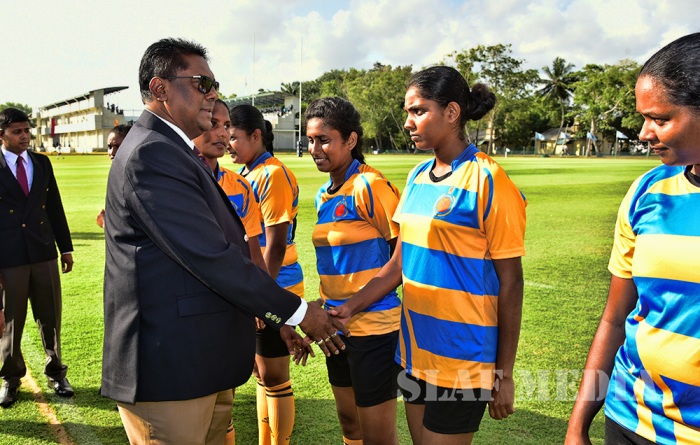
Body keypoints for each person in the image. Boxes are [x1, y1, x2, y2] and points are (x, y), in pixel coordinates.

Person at [101, 38, 346, 445]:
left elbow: (231, 249)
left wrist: (278, 317)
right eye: (202, 83)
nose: (212, 94)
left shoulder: (173, 151)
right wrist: (299, 312)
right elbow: (212, 258)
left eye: (214, 85)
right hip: (170, 370)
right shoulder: (151, 154)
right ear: (160, 88)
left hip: (199, 362)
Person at [331, 66, 527, 445]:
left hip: (464, 356)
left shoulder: (489, 179)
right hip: (416, 352)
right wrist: (349, 308)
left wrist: (504, 373)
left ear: (452, 112)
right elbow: (397, 265)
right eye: (408, 112)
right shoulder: (417, 176)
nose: (408, 122)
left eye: (419, 111)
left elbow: (511, 282)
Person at [566, 32, 700, 445]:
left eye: (660, 119)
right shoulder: (647, 191)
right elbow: (615, 317)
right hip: (631, 418)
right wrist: (577, 426)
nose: (644, 132)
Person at [306, 97, 402, 445]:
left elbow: (403, 259)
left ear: (350, 140)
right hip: (336, 328)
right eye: (310, 140)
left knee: (377, 435)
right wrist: (322, 309)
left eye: (324, 140)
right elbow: (340, 267)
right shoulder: (323, 194)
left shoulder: (370, 185)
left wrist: (352, 306)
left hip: (374, 328)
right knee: (350, 424)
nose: (315, 149)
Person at [228, 104, 304, 445]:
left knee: (274, 375)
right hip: (255, 288)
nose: (227, 143)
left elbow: (274, 245)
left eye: (233, 137)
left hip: (276, 284)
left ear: (256, 136)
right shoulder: (247, 173)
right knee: (261, 373)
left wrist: (264, 298)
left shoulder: (272, 174)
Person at [0, 107, 75, 408]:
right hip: (9, 258)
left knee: (50, 316)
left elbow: (54, 206)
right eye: (17, 131)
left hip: (43, 252)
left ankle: (56, 373)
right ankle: (11, 378)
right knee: (11, 322)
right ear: (1, 135)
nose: (24, 136)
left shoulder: (42, 163)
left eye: (27, 131)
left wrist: (65, 248)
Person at [96, 124, 131, 228]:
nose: (112, 152)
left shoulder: (133, 177)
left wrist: (105, 224)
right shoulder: (118, 174)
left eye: (118, 146)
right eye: (109, 147)